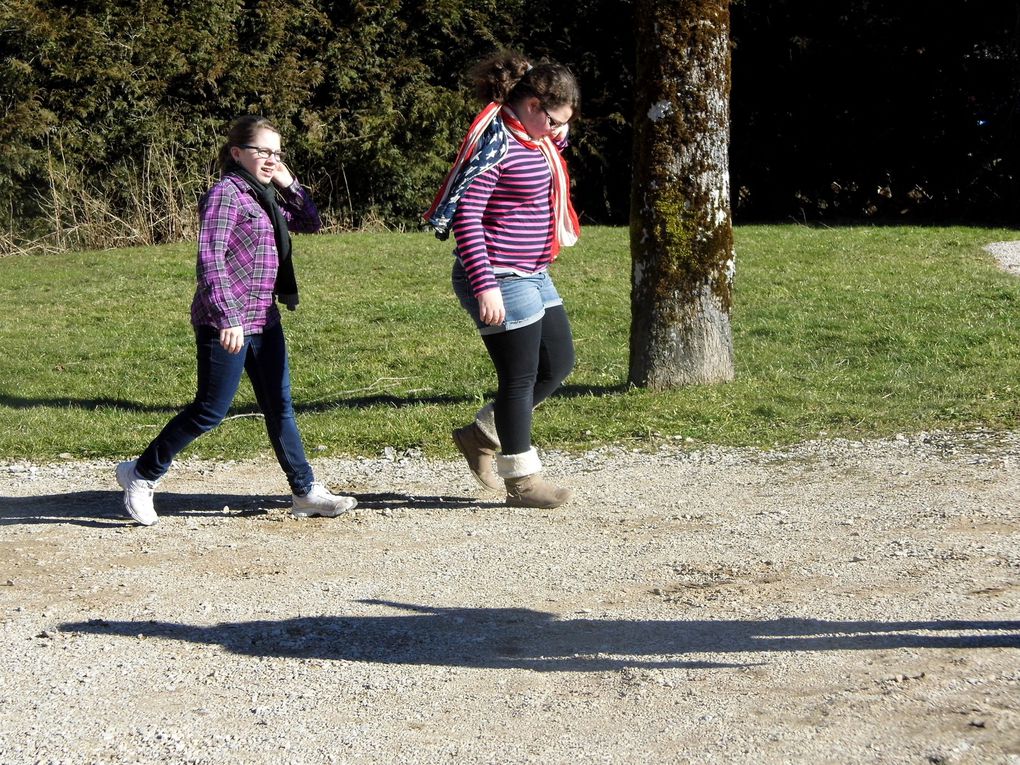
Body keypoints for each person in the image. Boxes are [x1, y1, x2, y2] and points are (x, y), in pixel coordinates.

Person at [115, 115, 357, 526]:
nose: (270, 159)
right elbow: (210, 260)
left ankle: (304, 492)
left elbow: (311, 221)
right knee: (210, 410)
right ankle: (141, 475)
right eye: (263, 151)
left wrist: (287, 182)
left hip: (265, 317)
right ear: (237, 153)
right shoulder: (226, 194)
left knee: (279, 407)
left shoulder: (265, 194)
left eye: (276, 153)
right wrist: (228, 317)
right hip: (224, 320)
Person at [424, 51, 582, 509]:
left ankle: (481, 435)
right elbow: (468, 217)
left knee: (559, 364)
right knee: (519, 377)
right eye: (553, 120)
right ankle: (523, 482)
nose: (557, 131)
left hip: (533, 271)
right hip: (497, 273)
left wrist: (558, 133)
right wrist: (484, 283)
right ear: (531, 105)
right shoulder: (496, 143)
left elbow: (543, 156)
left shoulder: (534, 139)